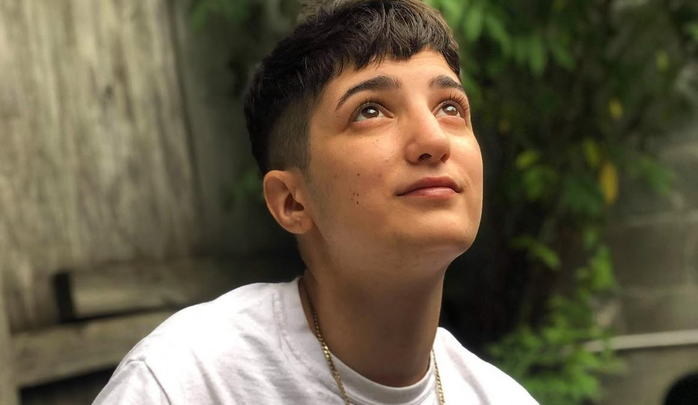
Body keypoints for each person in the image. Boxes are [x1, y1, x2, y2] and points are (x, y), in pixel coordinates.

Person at [93, 0, 539, 404]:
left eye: (450, 107)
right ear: (292, 202)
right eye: (370, 110)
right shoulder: (185, 382)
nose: (434, 139)